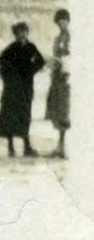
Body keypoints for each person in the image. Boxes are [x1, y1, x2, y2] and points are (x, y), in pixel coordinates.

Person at [0, 20, 45, 158]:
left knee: (25, 116)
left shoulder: (31, 47)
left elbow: (41, 61)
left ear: (27, 32)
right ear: (15, 34)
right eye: (19, 32)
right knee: (10, 116)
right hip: (12, 89)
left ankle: (26, 147)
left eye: (24, 32)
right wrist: (9, 79)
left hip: (26, 88)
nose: (22, 35)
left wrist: (31, 71)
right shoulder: (10, 49)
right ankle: (11, 147)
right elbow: (2, 63)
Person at [47, 9, 70, 158]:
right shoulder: (57, 39)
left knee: (67, 113)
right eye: (59, 21)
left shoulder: (72, 38)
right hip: (57, 78)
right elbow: (55, 56)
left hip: (68, 78)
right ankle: (60, 146)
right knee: (59, 113)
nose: (62, 23)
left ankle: (66, 147)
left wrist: (64, 63)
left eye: (64, 20)